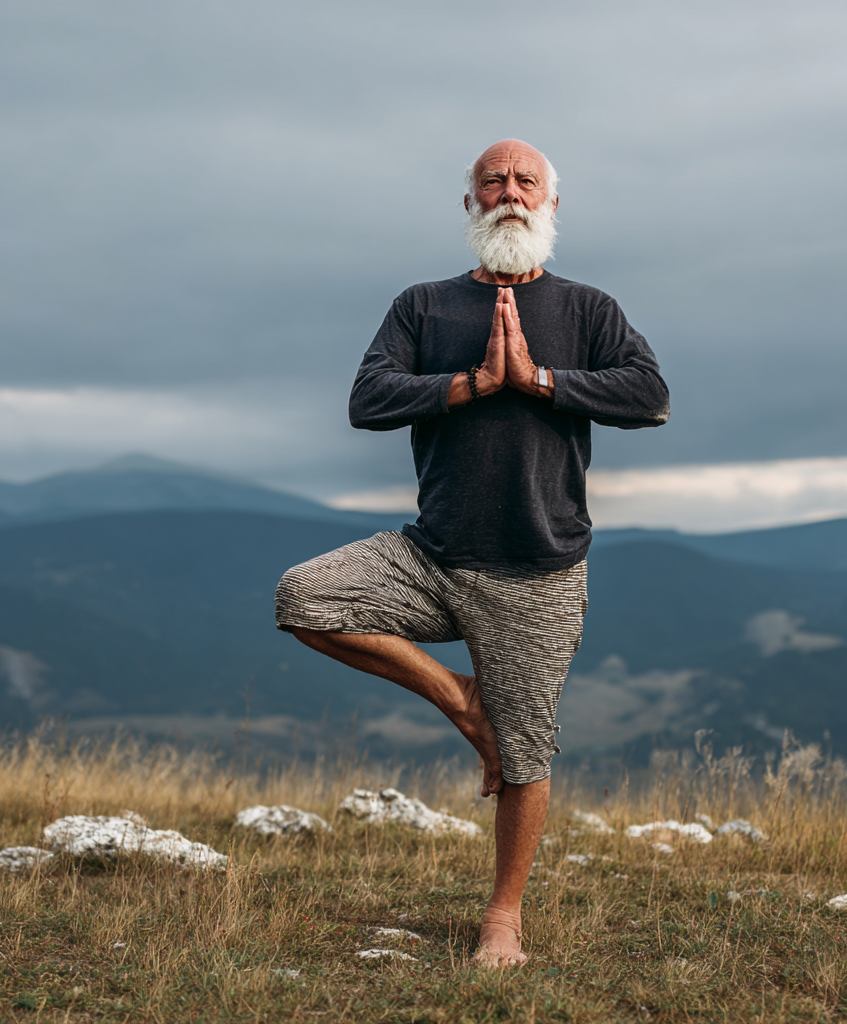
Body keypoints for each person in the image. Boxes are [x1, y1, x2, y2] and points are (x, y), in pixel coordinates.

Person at [275, 139, 669, 967]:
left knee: (526, 752)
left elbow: (649, 395)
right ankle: (461, 700)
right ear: (469, 205)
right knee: (304, 596)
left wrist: (540, 381)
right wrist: (468, 385)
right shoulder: (423, 306)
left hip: (540, 570)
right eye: (493, 181)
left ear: (553, 205)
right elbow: (368, 398)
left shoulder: (589, 309)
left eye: (528, 181)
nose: (510, 193)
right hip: (431, 553)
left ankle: (502, 919)